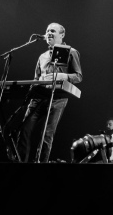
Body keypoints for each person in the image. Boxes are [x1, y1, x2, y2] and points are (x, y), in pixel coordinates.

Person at [17, 22, 83, 163]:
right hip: (38, 97)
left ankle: (41, 164)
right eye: (47, 31)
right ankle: (20, 163)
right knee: (24, 129)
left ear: (62, 35)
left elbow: (78, 76)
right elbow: (35, 78)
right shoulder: (43, 56)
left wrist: (63, 76)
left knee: (47, 134)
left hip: (57, 98)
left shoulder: (71, 52)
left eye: (52, 31)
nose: (48, 33)